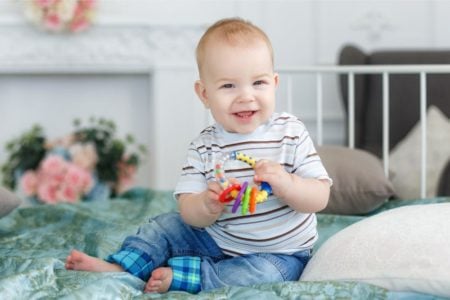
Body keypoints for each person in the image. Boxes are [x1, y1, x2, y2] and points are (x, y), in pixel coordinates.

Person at [65, 17, 331, 294]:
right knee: (165, 225)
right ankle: (124, 267)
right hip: (216, 240)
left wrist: (287, 184)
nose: (245, 96)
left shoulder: (290, 132)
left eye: (258, 83)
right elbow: (189, 211)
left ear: (274, 83)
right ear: (204, 94)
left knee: (265, 274)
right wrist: (207, 205)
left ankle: (188, 276)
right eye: (229, 86)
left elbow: (319, 197)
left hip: (279, 253)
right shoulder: (204, 146)